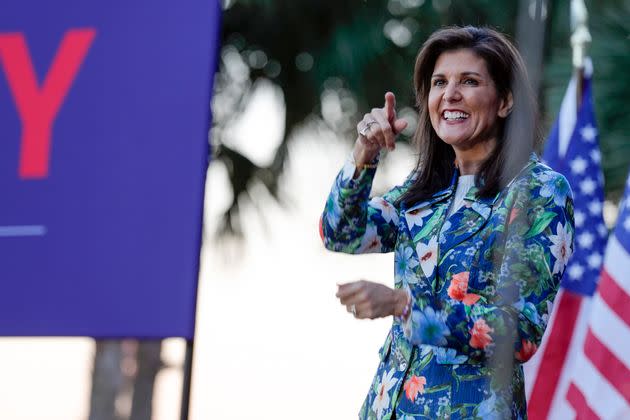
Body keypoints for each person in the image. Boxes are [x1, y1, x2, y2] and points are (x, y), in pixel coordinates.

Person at [320, 26, 574, 419]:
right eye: (439, 82)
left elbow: (518, 333)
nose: (449, 94)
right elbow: (340, 232)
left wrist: (404, 304)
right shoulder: (424, 193)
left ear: (505, 100)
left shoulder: (539, 191)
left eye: (469, 81)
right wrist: (363, 154)